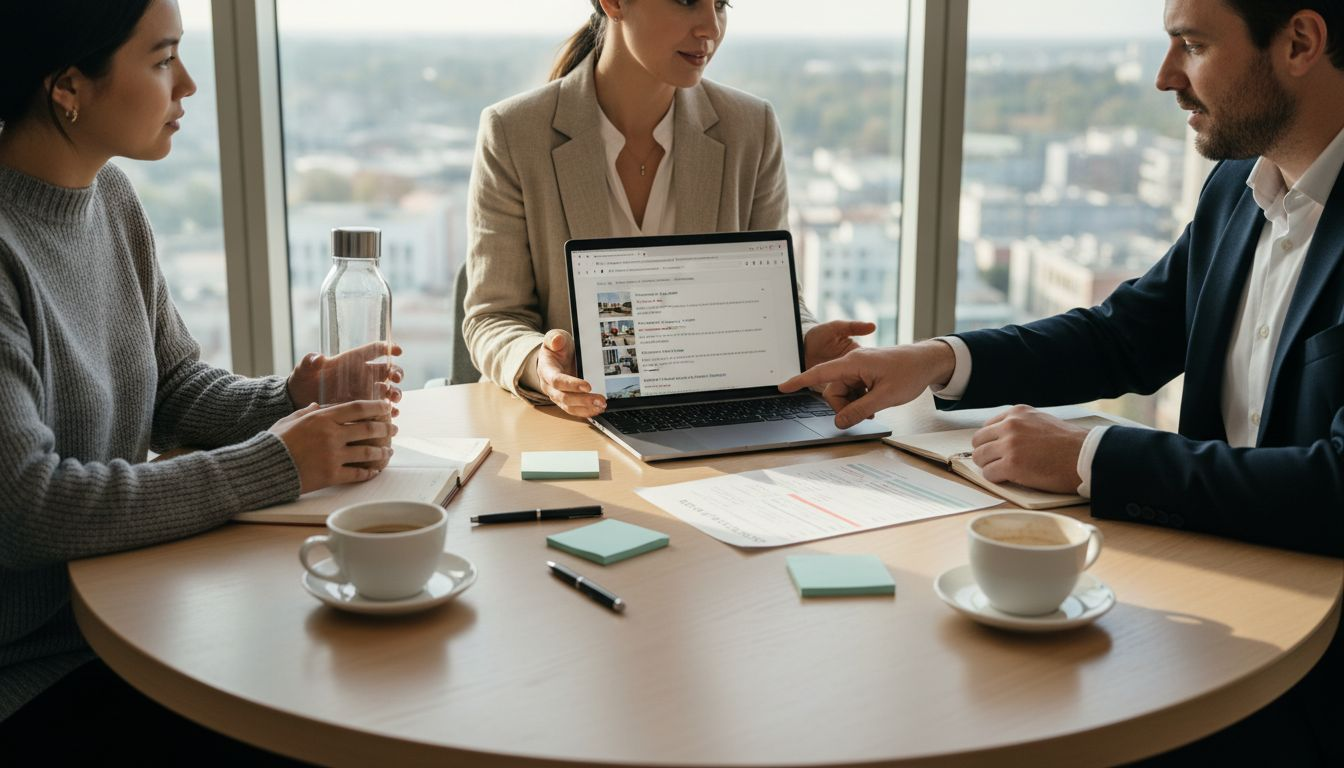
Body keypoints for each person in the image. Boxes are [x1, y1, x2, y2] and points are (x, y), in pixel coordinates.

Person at [783, 0, 1341, 763]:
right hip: (1224, 593)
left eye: (1193, 45)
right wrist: (936, 360)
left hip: (1314, 668)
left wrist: (1089, 457)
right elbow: (1126, 336)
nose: (1163, 76)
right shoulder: (1241, 187)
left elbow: (1337, 486)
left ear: (1301, 43)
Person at [0, 0, 401, 759]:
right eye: (161, 60)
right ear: (68, 88)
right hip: (34, 669)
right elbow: (29, 508)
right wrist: (276, 462)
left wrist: (293, 396)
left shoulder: (111, 199)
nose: (186, 84)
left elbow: (175, 388)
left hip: (126, 619)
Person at [463, 0, 873, 418]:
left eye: (721, 4)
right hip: (572, 425)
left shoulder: (752, 128)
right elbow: (493, 317)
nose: (710, 28)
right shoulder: (514, 132)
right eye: (687, 1)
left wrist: (805, 340)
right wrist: (539, 363)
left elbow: (771, 298)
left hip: (719, 419)